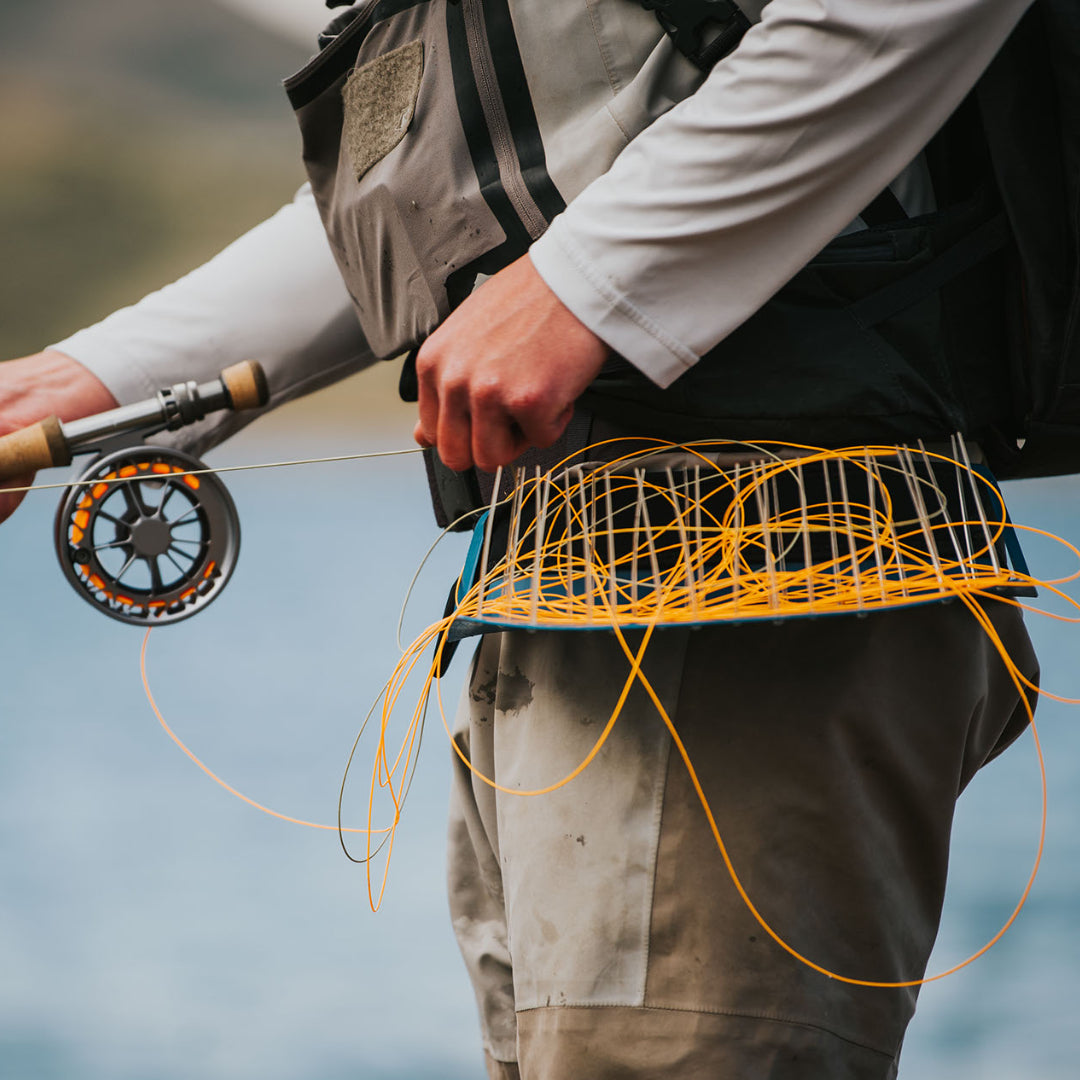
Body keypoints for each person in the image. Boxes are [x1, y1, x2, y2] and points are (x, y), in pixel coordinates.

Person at [0, 0, 1046, 1076]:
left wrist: (582, 285)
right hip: (553, 594)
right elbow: (437, 202)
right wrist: (80, 383)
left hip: (763, 571)